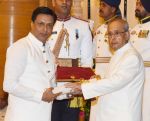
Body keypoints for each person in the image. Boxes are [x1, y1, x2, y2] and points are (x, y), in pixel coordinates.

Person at [66, 18, 145, 121]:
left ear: (126, 35)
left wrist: (83, 87)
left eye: (117, 33)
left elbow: (115, 82)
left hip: (123, 115)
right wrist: (92, 81)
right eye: (110, 34)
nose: (112, 38)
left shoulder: (131, 57)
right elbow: (112, 79)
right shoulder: (120, 54)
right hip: (113, 114)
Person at [3, 7, 60, 121]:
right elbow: (9, 85)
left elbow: (50, 86)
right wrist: (40, 96)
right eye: (41, 24)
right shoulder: (20, 47)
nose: (45, 29)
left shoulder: (49, 52)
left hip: (43, 115)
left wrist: (67, 92)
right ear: (32, 24)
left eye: (49, 25)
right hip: (22, 116)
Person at [48, 0, 93, 121]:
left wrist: (78, 86)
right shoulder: (45, 24)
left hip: (72, 90)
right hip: (49, 88)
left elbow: (87, 61)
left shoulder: (83, 26)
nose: (64, 2)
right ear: (53, 2)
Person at [92, 0, 122, 120]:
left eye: (103, 5)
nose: (100, 7)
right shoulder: (99, 29)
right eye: (100, 4)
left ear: (113, 9)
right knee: (97, 112)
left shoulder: (120, 28)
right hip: (97, 75)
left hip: (111, 74)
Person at [130, 0, 150, 121]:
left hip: (148, 77)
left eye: (140, 4)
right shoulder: (134, 29)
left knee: (146, 111)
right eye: (137, 4)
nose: (137, 7)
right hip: (134, 77)